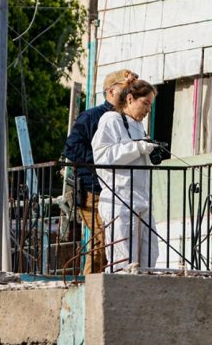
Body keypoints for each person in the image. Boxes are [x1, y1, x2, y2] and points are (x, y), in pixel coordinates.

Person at [63, 68, 138, 274]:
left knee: (109, 242)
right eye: (125, 89)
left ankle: (95, 286)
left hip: (115, 191)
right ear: (111, 92)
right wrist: (100, 159)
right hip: (93, 192)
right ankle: (89, 288)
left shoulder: (128, 119)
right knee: (102, 242)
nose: (129, 94)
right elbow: (71, 147)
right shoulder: (92, 117)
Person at [91, 78, 160, 272]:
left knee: (150, 255)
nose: (148, 110)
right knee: (124, 261)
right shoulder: (111, 120)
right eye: (145, 103)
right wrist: (137, 147)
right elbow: (103, 156)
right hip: (120, 200)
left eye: (150, 105)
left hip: (142, 200)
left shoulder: (139, 126)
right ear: (130, 99)